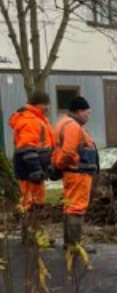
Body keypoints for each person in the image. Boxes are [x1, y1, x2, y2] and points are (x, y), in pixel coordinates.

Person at [53, 96, 100, 252]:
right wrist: (60, 165)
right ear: (79, 111)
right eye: (87, 112)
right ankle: (74, 246)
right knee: (76, 208)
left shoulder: (62, 123)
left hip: (72, 173)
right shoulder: (72, 126)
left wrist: (59, 166)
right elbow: (68, 152)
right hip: (78, 173)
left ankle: (70, 243)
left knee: (69, 206)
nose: (88, 116)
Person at [8, 91, 56, 236]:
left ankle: (35, 232)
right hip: (30, 171)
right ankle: (30, 234)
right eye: (46, 104)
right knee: (30, 202)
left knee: (37, 202)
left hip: (35, 169)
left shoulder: (39, 118)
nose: (48, 108)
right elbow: (28, 147)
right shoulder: (30, 120)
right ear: (38, 104)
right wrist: (36, 169)